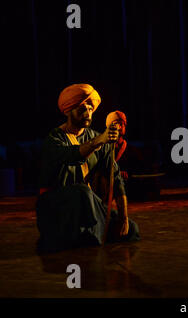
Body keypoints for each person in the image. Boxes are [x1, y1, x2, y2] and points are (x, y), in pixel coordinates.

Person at [36, 84, 140, 253]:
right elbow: (72, 156)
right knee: (82, 192)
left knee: (131, 230)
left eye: (90, 109)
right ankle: (85, 236)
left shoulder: (96, 137)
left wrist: (123, 217)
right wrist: (99, 141)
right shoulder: (54, 139)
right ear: (68, 111)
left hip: (86, 205)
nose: (87, 113)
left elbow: (116, 178)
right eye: (81, 109)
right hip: (56, 208)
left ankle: (90, 234)